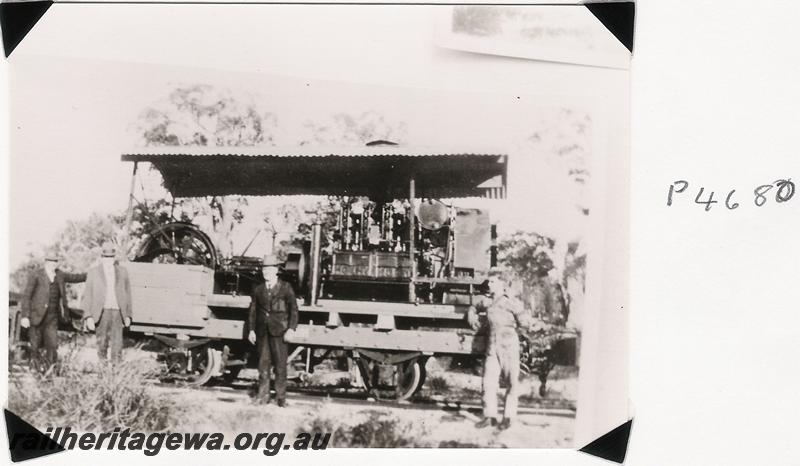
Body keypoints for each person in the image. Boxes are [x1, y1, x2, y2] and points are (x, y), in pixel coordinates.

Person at [468, 270, 536, 430]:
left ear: (501, 284)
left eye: (492, 282)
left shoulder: (511, 302)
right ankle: (489, 416)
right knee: (488, 383)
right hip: (492, 346)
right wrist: (471, 315)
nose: (488, 284)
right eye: (488, 282)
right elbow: (473, 307)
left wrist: (514, 335)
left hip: (509, 346)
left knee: (511, 382)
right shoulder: (486, 301)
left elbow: (525, 323)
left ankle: (508, 417)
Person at [20, 253, 86, 371]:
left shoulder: (60, 275)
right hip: (36, 317)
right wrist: (25, 316)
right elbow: (26, 297)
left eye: (55, 261)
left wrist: (93, 274)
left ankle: (50, 373)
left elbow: (75, 278)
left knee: (52, 345)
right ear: (46, 262)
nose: (53, 264)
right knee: (35, 346)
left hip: (52, 318)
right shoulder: (36, 275)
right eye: (51, 261)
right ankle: (34, 371)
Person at [247, 255, 299, 406]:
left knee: (280, 366)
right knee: (263, 365)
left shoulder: (286, 287)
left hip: (280, 331)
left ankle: (280, 398)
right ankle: (263, 397)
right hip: (262, 331)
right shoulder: (258, 289)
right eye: (264, 269)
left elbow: (294, 310)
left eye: (269, 269)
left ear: (276, 271)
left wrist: (291, 329)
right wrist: (251, 330)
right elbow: (253, 311)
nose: (266, 272)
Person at [81, 242, 133, 362]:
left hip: (117, 313)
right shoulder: (93, 272)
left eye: (111, 257)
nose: (108, 260)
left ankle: (116, 374)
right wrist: (88, 316)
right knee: (102, 343)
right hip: (102, 312)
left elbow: (128, 294)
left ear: (114, 258)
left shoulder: (122, 271)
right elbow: (87, 295)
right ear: (102, 257)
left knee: (117, 345)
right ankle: (103, 374)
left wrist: (128, 315)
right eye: (106, 257)